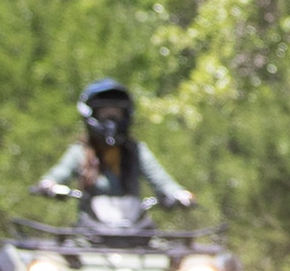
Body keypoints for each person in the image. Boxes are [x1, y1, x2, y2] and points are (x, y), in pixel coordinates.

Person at [35, 78, 196, 209]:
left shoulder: (136, 151)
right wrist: (49, 184)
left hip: (134, 229)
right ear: (92, 115)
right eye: (105, 113)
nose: (111, 121)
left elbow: (161, 178)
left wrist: (178, 193)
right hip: (90, 231)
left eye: (116, 114)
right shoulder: (80, 151)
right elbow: (60, 171)